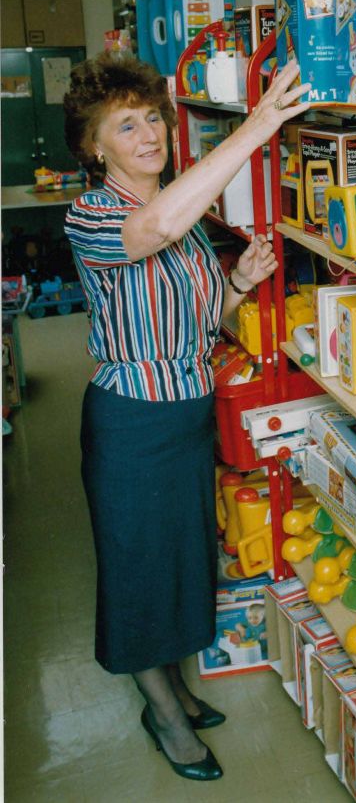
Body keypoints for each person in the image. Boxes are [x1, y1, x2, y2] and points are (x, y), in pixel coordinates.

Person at [63, 52, 309, 782]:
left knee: (178, 563)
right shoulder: (93, 217)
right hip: (131, 424)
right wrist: (257, 127)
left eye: (153, 118)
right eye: (126, 124)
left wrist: (237, 281)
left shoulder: (184, 211)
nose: (149, 135)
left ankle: (170, 686)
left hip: (186, 417)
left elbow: (198, 322)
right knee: (138, 572)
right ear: (94, 147)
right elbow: (154, 231)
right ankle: (165, 713)